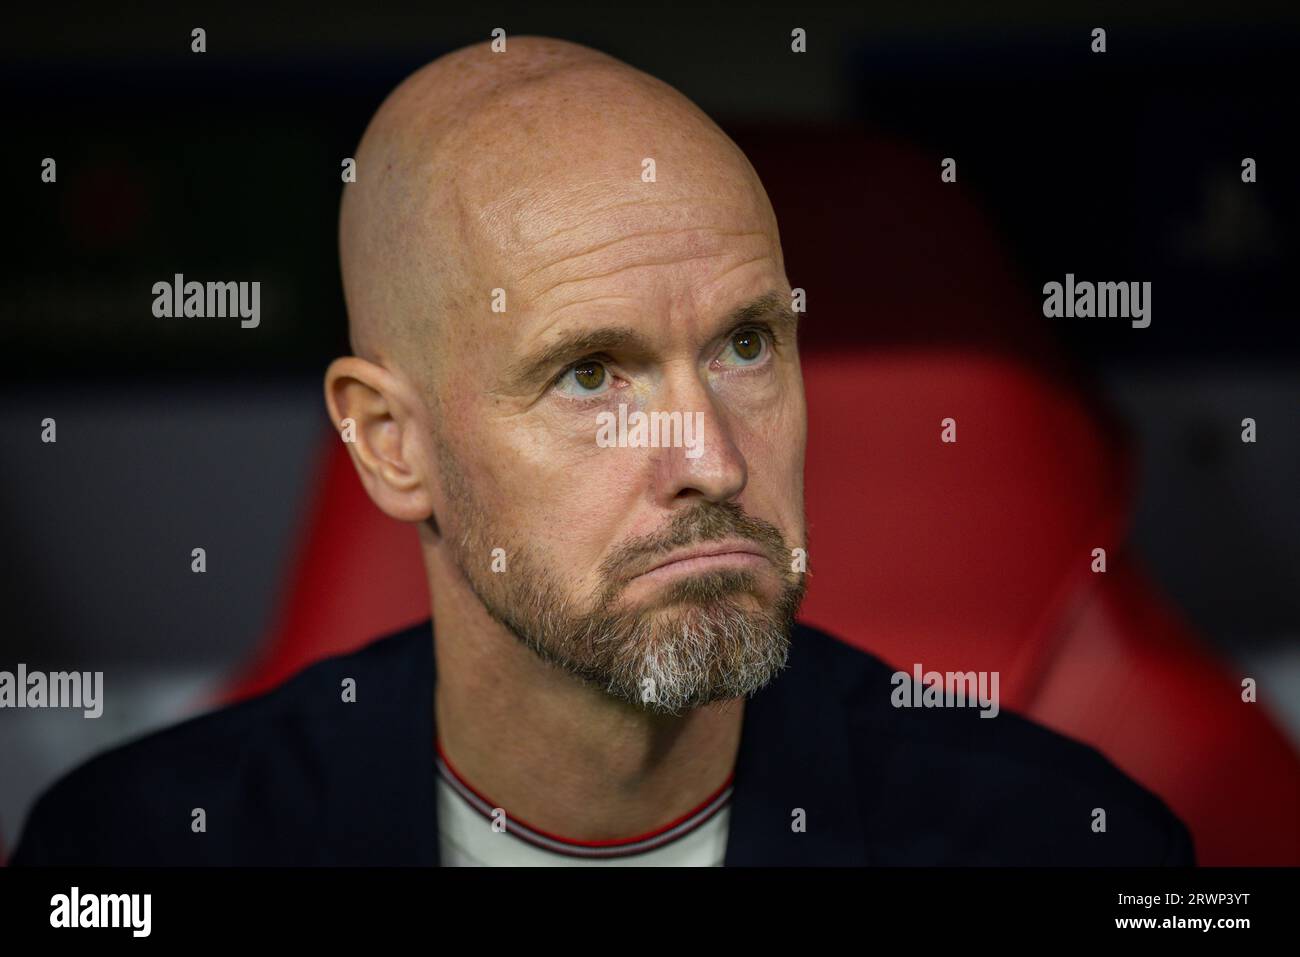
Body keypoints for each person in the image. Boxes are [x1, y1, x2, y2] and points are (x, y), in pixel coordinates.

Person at [11, 36, 1193, 867]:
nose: (715, 464)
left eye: (744, 344)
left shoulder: (1058, 844)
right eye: (590, 374)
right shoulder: (133, 855)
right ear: (389, 443)